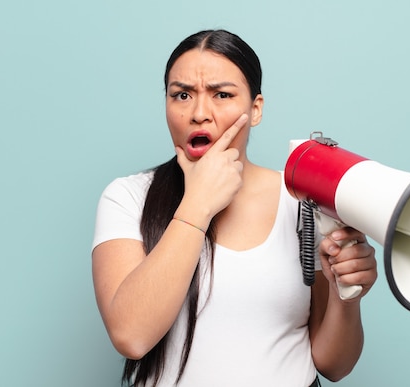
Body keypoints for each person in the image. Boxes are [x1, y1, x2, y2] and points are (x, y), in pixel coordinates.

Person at [92, 29, 378, 387]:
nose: (199, 113)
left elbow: (334, 365)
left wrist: (345, 295)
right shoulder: (128, 197)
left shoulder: (301, 201)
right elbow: (131, 335)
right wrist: (197, 204)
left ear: (255, 109)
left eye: (222, 95)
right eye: (181, 95)